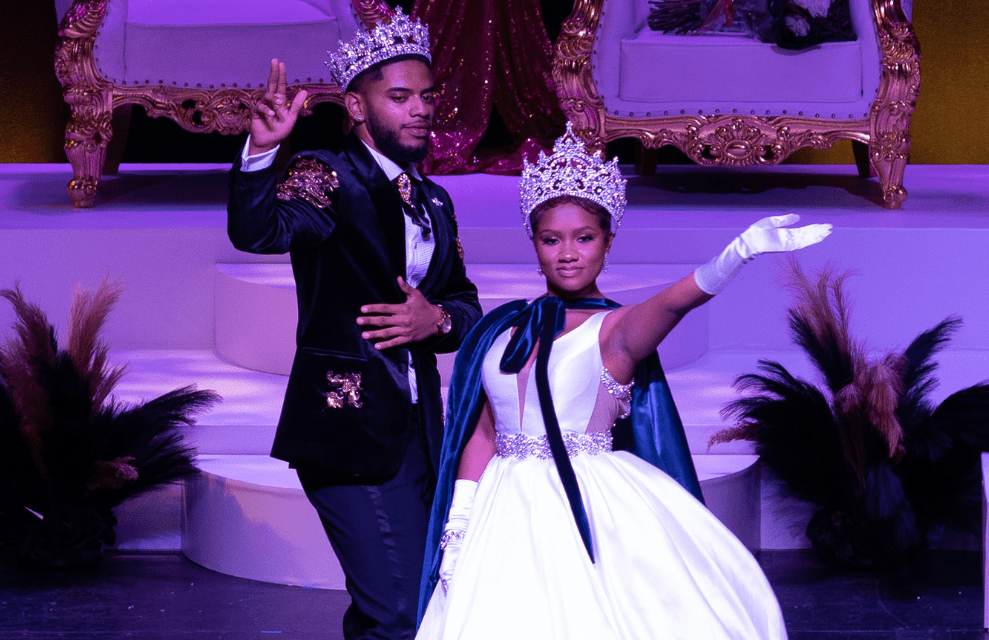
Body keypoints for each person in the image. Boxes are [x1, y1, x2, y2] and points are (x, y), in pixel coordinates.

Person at [415, 123, 832, 639]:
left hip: (585, 501)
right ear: (535, 244)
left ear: (607, 243)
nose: (568, 252)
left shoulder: (616, 330)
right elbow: (481, 433)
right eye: (552, 239)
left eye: (584, 237)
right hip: (499, 509)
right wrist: (457, 527)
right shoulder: (501, 330)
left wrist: (736, 254)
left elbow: (676, 299)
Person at [226, 9, 482, 640]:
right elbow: (260, 231)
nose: (420, 109)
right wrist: (262, 152)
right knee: (399, 609)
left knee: (409, 600)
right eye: (399, 97)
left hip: (421, 430)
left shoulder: (436, 201)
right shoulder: (326, 173)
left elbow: (465, 305)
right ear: (357, 107)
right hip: (347, 427)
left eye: (427, 96)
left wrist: (436, 318)